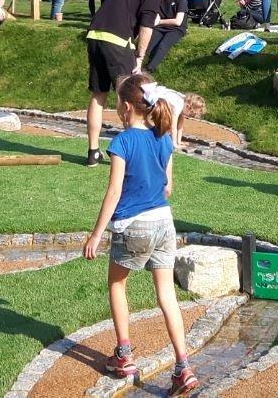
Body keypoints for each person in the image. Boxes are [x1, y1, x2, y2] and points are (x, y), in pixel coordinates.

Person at [82, 74, 199, 396]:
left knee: (117, 283)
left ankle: (124, 355)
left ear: (126, 106)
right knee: (167, 295)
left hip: (133, 225)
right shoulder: (163, 138)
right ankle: (183, 366)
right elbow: (167, 185)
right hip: (164, 221)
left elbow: (114, 191)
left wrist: (95, 234)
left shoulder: (122, 142)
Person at [84, 0, 166, 166]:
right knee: (130, 98)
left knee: (98, 94)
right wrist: (139, 57)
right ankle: (132, 153)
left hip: (94, 36)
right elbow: (147, 27)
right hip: (117, 43)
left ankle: (93, 152)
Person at [141, 0, 187, 73]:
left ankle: (149, 69)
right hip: (159, 28)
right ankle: (135, 66)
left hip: (176, 29)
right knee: (147, 44)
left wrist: (159, 21)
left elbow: (178, 21)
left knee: (163, 45)